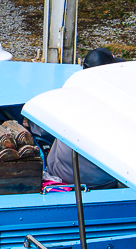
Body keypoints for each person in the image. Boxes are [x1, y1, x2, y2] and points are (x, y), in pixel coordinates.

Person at [44, 47, 124, 191]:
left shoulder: (68, 88)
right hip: (96, 181)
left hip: (58, 173)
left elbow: (44, 127)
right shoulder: (118, 99)